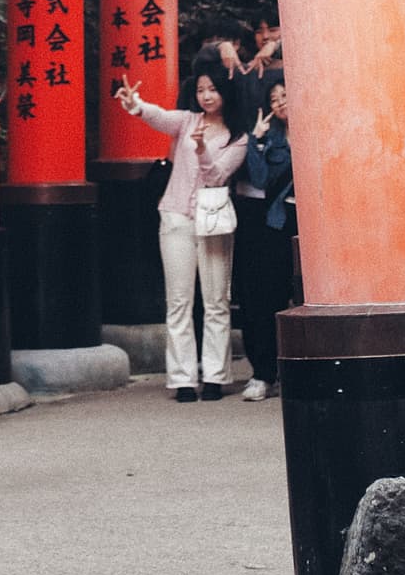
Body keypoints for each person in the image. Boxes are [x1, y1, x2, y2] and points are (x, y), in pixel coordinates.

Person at [114, 65, 244, 398]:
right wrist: (136, 104)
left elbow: (217, 176)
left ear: (225, 92)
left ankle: (215, 376)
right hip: (175, 217)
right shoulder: (187, 121)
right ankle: (183, 379)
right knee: (178, 301)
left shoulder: (238, 136)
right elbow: (159, 117)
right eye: (201, 90)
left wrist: (201, 150)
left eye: (212, 89)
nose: (206, 96)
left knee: (216, 301)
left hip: (213, 220)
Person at [230, 77, 293, 403]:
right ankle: (265, 373)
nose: (280, 102)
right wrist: (255, 140)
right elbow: (259, 179)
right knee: (270, 296)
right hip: (279, 221)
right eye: (274, 98)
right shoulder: (272, 139)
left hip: (316, 223)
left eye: (285, 94)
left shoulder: (319, 127)